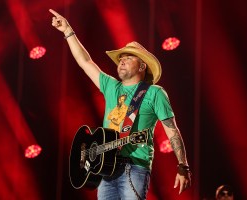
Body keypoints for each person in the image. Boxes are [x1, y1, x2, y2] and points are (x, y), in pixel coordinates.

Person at [49, 9, 191, 199]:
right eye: (121, 58)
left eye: (129, 58)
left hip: (135, 168)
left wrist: (182, 165)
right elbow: (85, 61)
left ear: (142, 66)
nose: (122, 61)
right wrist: (68, 31)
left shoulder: (154, 92)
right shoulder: (111, 86)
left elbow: (171, 130)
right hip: (105, 168)